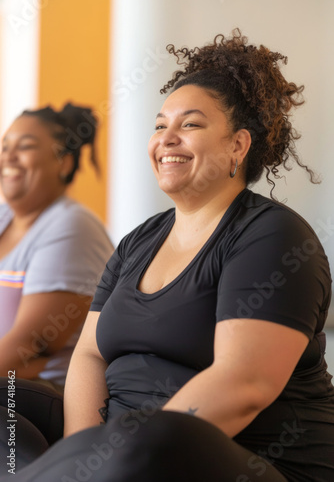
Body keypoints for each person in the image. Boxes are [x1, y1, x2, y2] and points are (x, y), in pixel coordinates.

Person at [1, 29, 333, 482]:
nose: (167, 139)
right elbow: (90, 356)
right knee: (9, 398)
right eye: (160, 126)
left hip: (237, 456)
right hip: (117, 450)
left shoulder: (274, 236)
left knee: (156, 439)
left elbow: (244, 385)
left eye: (190, 125)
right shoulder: (139, 241)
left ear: (238, 145)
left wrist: (107, 458)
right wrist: (88, 454)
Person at [0, 102, 114, 389]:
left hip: (34, 399)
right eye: (4, 147)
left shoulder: (72, 226)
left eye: (24, 147)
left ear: (63, 162)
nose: (9, 157)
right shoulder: (4, 217)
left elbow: (29, 349)